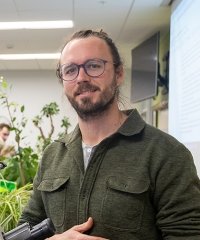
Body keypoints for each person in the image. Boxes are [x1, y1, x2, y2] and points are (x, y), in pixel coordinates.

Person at [19, 29, 200, 240]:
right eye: (70, 70)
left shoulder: (166, 153)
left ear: (119, 73)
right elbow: (26, 229)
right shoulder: (53, 156)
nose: (81, 78)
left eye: (93, 66)